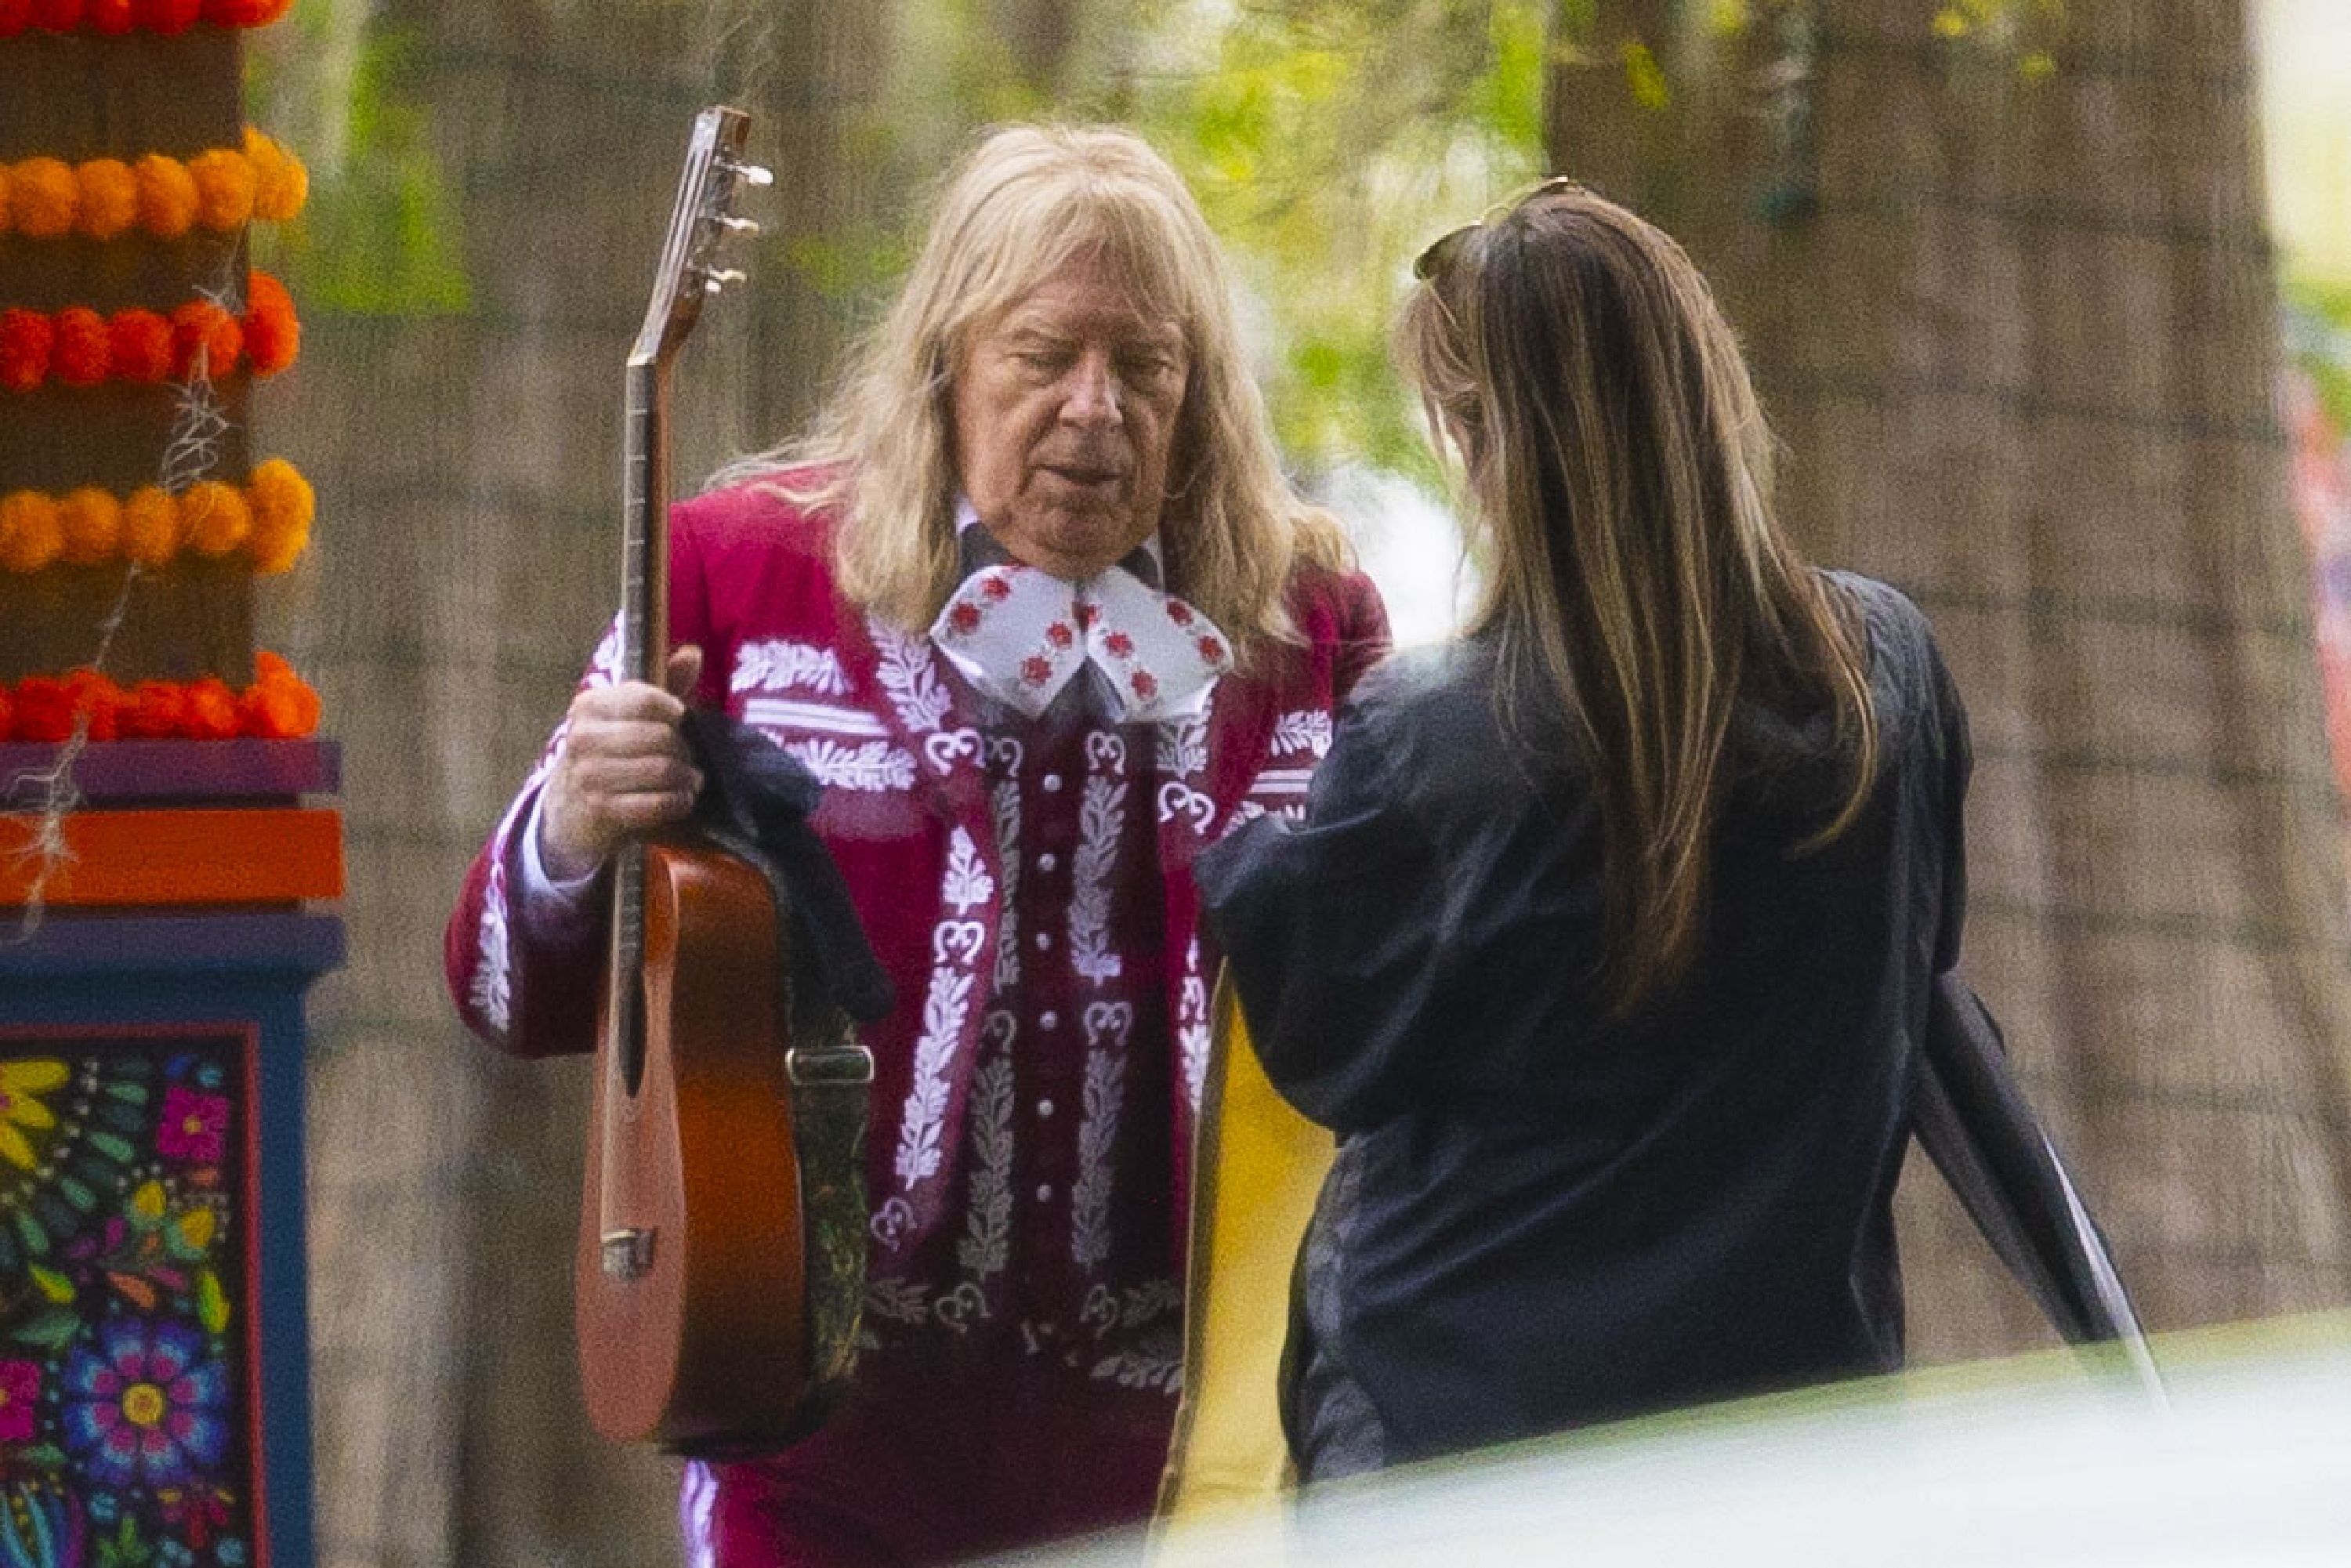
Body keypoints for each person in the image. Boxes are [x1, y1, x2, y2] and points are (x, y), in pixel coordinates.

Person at [443, 125, 1389, 1563]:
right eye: (1042, 355)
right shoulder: (740, 573)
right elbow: (501, 988)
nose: (1095, 411)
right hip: (820, 1396)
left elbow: (1397, 1003)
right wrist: (575, 826)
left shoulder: (1309, 623)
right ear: (948, 363)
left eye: (1145, 367)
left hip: (1190, 1425)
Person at [1194, 181, 1972, 1478]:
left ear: (1492, 442)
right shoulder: (1885, 675)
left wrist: (1245, 824)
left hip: (1461, 1454)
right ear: (1707, 389)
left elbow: (1325, 1047)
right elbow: (1924, 951)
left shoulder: (1431, 744)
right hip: (1791, 1453)